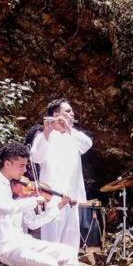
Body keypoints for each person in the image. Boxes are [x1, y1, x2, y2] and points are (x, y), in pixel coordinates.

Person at [0, 142, 84, 266]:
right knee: (49, 264)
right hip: (3, 247)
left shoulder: (17, 189)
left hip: (23, 241)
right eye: (21, 166)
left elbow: (32, 223)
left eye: (25, 166)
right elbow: (4, 208)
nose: (25, 171)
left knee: (68, 252)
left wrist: (58, 206)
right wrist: (33, 200)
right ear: (7, 164)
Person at [28, 99, 92, 250]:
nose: (72, 114)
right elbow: (36, 157)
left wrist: (69, 129)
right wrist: (47, 133)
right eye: (68, 111)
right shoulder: (43, 136)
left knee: (72, 242)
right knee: (52, 243)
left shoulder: (73, 136)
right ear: (56, 114)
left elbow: (88, 144)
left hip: (73, 198)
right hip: (53, 199)